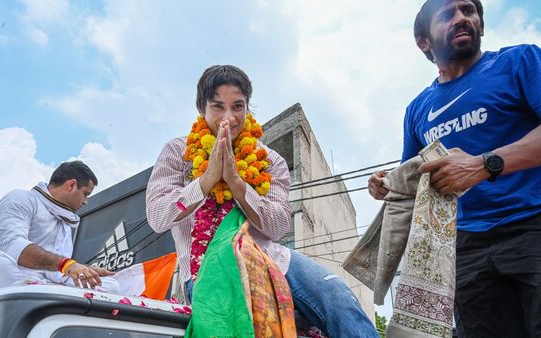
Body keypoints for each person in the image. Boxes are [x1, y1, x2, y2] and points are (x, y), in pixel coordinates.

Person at [147, 65, 377, 337]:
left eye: (238, 107)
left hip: (272, 259)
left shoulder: (268, 160)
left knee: (337, 295)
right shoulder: (179, 151)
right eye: (218, 106)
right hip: (205, 269)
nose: (229, 118)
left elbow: (278, 226)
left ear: (248, 107)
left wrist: (236, 183)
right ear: (202, 108)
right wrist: (207, 180)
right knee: (239, 321)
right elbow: (158, 216)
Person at [368, 0, 541, 336]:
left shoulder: (519, 61)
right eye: (448, 15)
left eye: (469, 10)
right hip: (463, 251)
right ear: (424, 42)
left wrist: (484, 164)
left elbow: (479, 166)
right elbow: (414, 176)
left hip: (532, 226)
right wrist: (386, 183)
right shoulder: (418, 109)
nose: (462, 18)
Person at [0, 161, 118, 295]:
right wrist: (67, 265)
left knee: (112, 285)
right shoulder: (21, 199)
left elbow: (58, 272)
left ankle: (46, 295)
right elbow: (14, 247)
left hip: (45, 285)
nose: (85, 202)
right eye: (86, 194)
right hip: (2, 280)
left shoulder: (64, 222)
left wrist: (85, 272)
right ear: (71, 185)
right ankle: (38, 293)